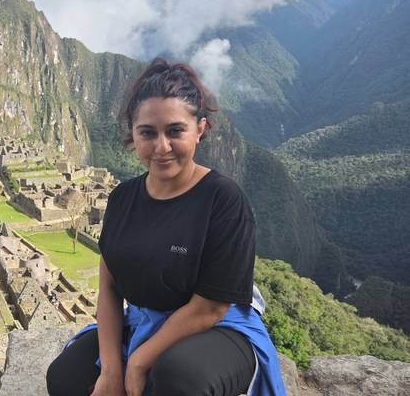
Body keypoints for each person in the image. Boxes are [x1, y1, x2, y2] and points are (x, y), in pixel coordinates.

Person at [46, 58, 286, 396]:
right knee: (65, 378)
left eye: (175, 131)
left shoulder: (224, 200)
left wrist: (140, 360)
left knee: (176, 378)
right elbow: (110, 291)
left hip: (217, 328)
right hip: (142, 320)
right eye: (148, 133)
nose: (161, 147)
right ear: (133, 133)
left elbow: (210, 308)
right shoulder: (122, 199)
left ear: (199, 129)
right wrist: (112, 371)